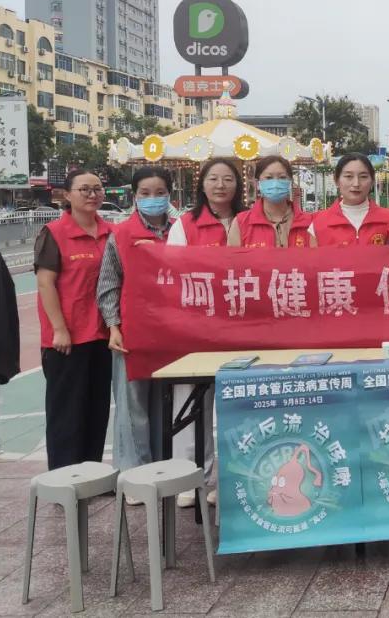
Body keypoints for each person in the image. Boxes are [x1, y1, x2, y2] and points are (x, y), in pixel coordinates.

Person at [166, 158, 245, 507]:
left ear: (238, 186)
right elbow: (171, 270)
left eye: (228, 179)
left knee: (235, 402)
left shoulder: (248, 221)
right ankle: (188, 477)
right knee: (190, 400)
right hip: (196, 324)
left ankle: (228, 479)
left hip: (242, 324)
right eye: (213, 179)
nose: (220, 185)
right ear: (202, 184)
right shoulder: (185, 225)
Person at [97, 166, 175, 495]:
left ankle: (163, 469)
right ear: (134, 196)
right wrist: (113, 326)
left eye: (160, 193)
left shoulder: (181, 231)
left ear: (170, 194)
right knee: (133, 406)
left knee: (166, 403)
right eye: (145, 193)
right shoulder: (122, 234)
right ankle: (133, 477)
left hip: (174, 332)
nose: (153, 198)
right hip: (133, 331)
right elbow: (108, 285)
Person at [35, 169, 114, 470]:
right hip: (67, 339)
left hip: (102, 336)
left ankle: (91, 476)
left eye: (97, 188)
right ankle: (64, 480)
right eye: (84, 189)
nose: (92, 194)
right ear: (67, 195)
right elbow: (46, 284)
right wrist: (59, 329)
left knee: (96, 410)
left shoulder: (111, 233)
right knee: (66, 415)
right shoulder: (54, 233)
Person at [311, 153, 389, 246]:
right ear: (336, 180)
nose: (356, 184)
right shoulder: (318, 223)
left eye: (363, 177)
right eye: (349, 176)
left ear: (372, 181)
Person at [227, 156, 314, 248]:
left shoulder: (309, 223)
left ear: (290, 182)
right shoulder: (241, 223)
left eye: (282, 177)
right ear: (257, 183)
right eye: (269, 178)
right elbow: (233, 256)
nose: (275, 183)